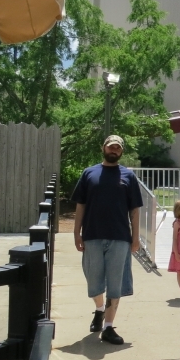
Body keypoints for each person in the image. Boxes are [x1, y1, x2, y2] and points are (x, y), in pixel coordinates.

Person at [71, 135, 143, 345]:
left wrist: (135, 237)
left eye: (118, 148)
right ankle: (99, 309)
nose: (114, 150)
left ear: (121, 152)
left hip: (120, 237)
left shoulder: (128, 176)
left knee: (115, 284)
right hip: (92, 235)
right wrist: (76, 233)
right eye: (111, 147)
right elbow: (81, 205)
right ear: (103, 148)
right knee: (94, 281)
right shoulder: (89, 173)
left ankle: (109, 327)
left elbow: (135, 210)